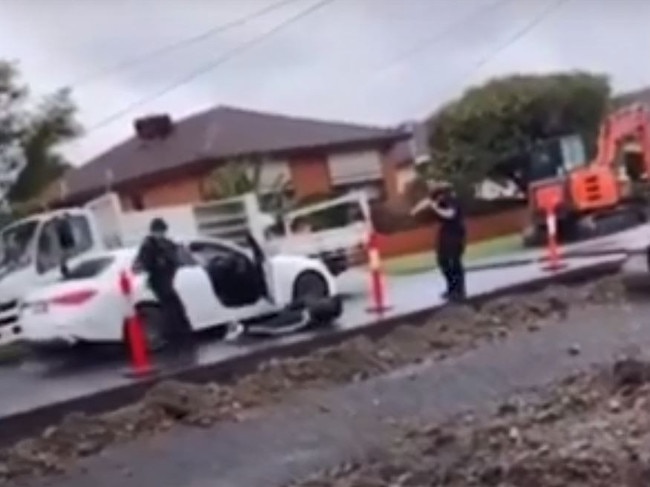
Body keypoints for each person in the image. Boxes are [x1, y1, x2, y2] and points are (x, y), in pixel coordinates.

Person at [136, 217, 193, 345]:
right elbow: (142, 264)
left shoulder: (167, 244)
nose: (160, 234)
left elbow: (178, 257)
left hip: (169, 279)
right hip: (159, 281)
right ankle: (175, 336)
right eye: (158, 231)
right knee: (170, 308)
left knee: (176, 308)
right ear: (153, 231)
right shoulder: (148, 246)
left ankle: (181, 334)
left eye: (162, 231)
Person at [411, 182, 467, 301]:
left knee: (454, 261)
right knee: (443, 261)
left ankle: (459, 290)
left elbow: (449, 214)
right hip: (445, 233)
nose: (439, 197)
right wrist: (417, 209)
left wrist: (434, 207)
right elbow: (421, 206)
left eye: (439, 194)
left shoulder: (453, 200)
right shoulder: (439, 201)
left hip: (456, 233)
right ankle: (451, 289)